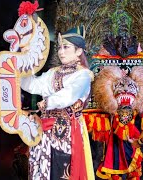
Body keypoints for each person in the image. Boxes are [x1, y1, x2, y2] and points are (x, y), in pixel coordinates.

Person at [21, 26, 94, 180]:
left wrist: (48, 102)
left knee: (60, 169)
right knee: (40, 168)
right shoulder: (53, 72)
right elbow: (33, 85)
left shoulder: (83, 75)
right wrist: (22, 66)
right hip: (45, 129)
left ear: (79, 51)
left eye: (66, 47)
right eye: (60, 47)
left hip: (65, 132)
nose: (61, 52)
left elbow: (69, 95)